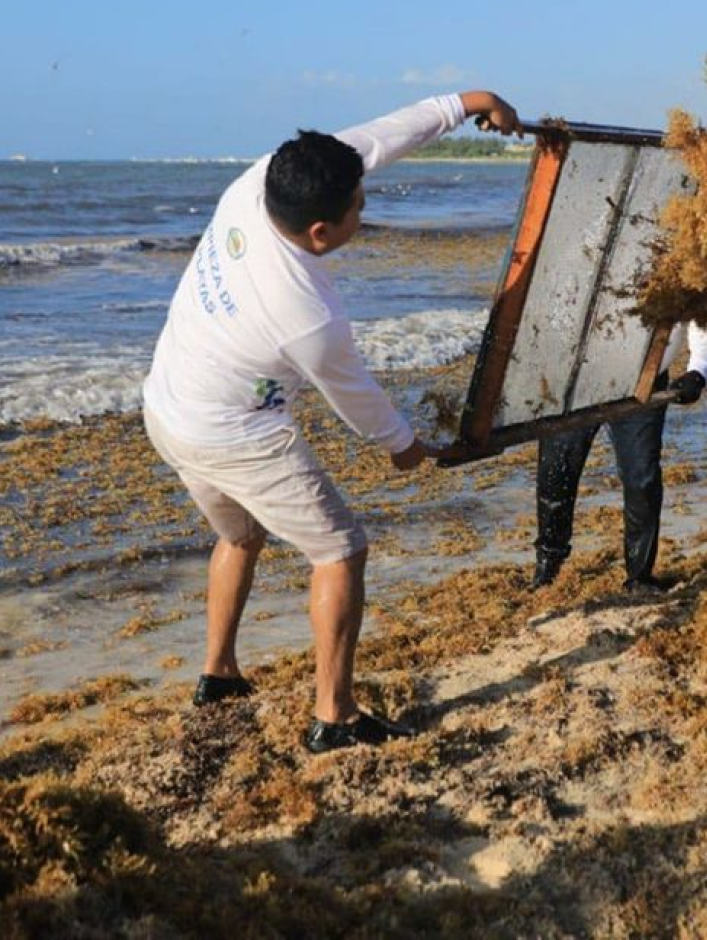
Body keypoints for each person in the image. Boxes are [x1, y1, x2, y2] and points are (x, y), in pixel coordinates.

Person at [142, 90, 522, 754]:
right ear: (322, 233)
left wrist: (467, 103)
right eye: (358, 208)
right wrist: (405, 448)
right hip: (232, 432)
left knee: (241, 537)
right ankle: (335, 715)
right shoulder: (307, 311)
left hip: (168, 406)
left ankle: (219, 675)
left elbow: (376, 139)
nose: (363, 210)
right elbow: (360, 404)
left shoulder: (260, 179)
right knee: (341, 550)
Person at [532, 323, 707, 595]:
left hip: (643, 383)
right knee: (556, 473)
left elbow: (704, 319)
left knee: (642, 479)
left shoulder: (678, 281)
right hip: (575, 378)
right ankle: (547, 569)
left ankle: (639, 576)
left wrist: (698, 371)